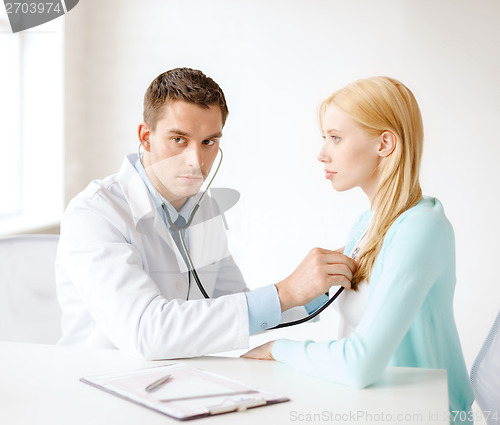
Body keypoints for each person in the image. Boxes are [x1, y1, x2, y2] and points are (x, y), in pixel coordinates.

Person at [55, 67, 356, 360]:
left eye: (208, 142)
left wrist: (320, 286)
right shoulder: (95, 214)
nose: (196, 160)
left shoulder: (204, 209)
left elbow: (234, 306)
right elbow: (146, 332)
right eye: (178, 140)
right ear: (145, 136)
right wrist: (286, 292)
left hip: (179, 383)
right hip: (99, 385)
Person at [242, 76, 474, 420]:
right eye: (325, 138)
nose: (322, 154)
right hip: (374, 409)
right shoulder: (367, 225)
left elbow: (359, 365)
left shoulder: (421, 229)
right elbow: (318, 302)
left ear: (385, 144)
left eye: (335, 138)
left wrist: (278, 350)